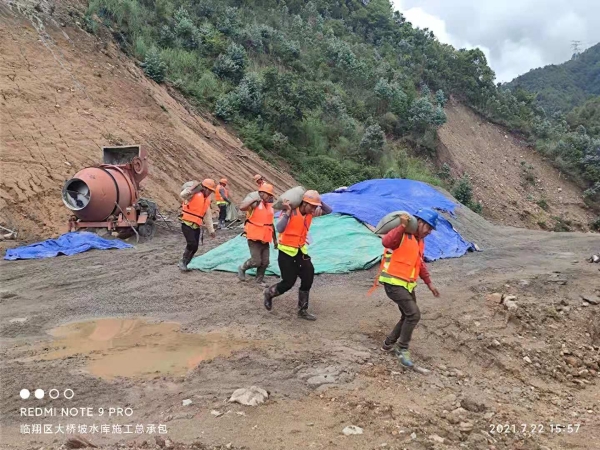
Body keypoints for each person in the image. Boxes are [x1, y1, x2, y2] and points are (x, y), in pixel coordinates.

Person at [378, 208, 440, 368]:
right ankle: (402, 349)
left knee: (407, 316)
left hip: (406, 285)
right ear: (419, 222)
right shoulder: (403, 234)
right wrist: (401, 227)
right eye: (428, 227)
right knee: (413, 314)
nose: (429, 232)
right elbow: (386, 242)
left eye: (431, 229)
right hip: (393, 283)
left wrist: (429, 284)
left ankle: (388, 344)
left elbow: (420, 264)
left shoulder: (420, 241)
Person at [262, 190, 332, 321]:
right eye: (311, 206)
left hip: (301, 251)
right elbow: (279, 228)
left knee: (308, 276)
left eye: (315, 206)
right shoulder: (291, 212)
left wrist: (318, 201)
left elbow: (329, 211)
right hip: (286, 253)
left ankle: (302, 310)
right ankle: (269, 293)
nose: (314, 209)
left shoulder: (311, 213)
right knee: (288, 282)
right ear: (304, 203)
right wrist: (287, 213)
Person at [237, 183, 276, 285]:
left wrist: (275, 240)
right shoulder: (255, 205)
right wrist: (253, 200)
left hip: (265, 238)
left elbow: (271, 224)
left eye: (271, 195)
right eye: (268, 195)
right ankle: (242, 268)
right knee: (256, 261)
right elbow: (242, 207)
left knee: (265, 262)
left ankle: (259, 280)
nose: (270, 197)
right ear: (262, 194)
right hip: (254, 237)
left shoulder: (270, 207)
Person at [179, 179, 216, 272]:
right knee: (191, 243)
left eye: (211, 191)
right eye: (209, 190)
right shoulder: (193, 194)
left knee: (195, 247)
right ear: (203, 188)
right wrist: (192, 189)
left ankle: (186, 263)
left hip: (196, 225)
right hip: (186, 223)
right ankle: (182, 262)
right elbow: (182, 195)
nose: (210, 192)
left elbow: (207, 216)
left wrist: (211, 230)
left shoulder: (207, 200)